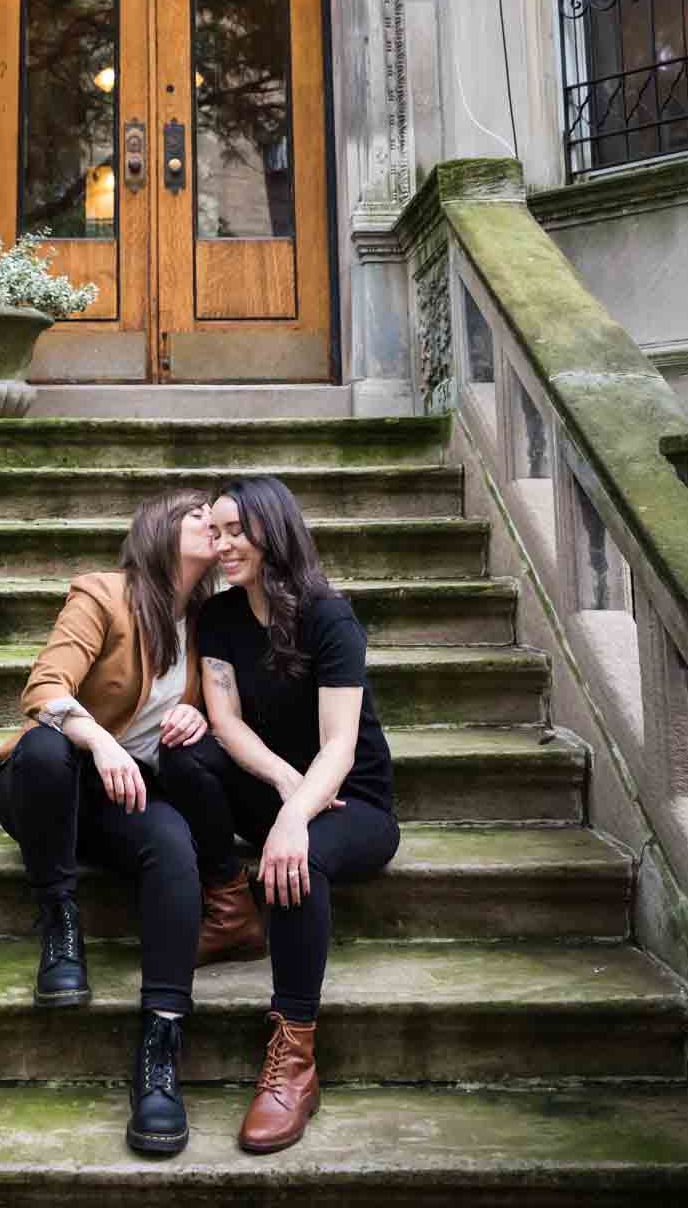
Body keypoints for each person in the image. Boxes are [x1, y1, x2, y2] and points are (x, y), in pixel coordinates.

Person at [158, 473, 399, 1155]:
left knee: (303, 858)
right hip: (282, 788)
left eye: (238, 531)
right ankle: (230, 909)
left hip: (354, 802)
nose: (224, 543)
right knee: (184, 754)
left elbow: (341, 746)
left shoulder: (328, 616)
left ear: (273, 531)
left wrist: (298, 816)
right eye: (218, 530)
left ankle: (293, 1056)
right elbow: (226, 722)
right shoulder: (219, 616)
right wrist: (284, 790)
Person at [0, 487, 219, 1158]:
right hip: (46, 791)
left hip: (126, 802)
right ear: (158, 528)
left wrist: (197, 717)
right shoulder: (104, 594)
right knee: (45, 744)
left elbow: (227, 713)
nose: (211, 523)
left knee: (174, 846)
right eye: (196, 514)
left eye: (217, 517)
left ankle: (159, 1047)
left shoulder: (212, 622)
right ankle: (60, 919)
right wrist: (100, 739)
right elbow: (44, 688)